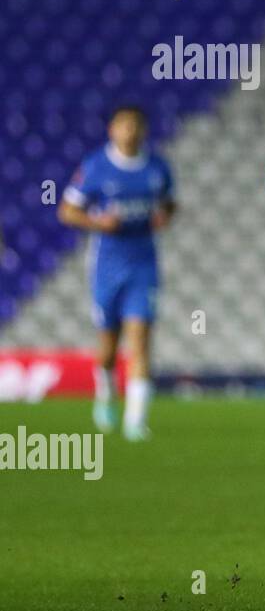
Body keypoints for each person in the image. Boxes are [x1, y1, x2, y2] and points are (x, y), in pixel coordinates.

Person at [59, 105, 176, 440]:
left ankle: (136, 421)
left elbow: (168, 203)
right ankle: (106, 392)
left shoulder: (157, 168)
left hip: (144, 264)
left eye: (136, 126)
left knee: (140, 341)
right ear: (112, 129)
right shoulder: (96, 167)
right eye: (124, 126)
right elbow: (67, 211)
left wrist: (164, 216)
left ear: (144, 130)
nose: (130, 132)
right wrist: (97, 223)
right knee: (108, 346)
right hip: (106, 266)